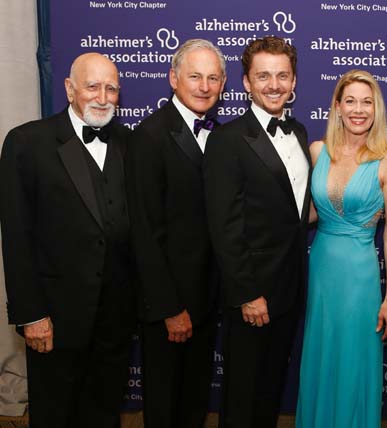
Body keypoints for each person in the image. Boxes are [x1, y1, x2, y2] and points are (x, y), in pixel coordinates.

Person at [0, 52, 134, 428]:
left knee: (105, 410)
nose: (103, 97)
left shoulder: (128, 142)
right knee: (56, 413)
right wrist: (31, 315)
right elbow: (16, 237)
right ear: (69, 89)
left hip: (115, 317)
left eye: (111, 88)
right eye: (93, 86)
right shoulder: (27, 143)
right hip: (55, 318)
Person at [203, 36, 310, 428]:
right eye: (263, 76)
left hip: (291, 289)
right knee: (242, 397)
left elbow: (294, 211)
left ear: (294, 80)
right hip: (252, 294)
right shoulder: (227, 140)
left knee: (270, 390)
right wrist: (248, 293)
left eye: (282, 75)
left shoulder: (298, 132)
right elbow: (224, 226)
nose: (274, 84)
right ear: (246, 83)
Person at [295, 69, 387, 428]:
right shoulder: (317, 151)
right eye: (351, 101)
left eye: (367, 102)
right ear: (337, 107)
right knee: (321, 355)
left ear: (377, 109)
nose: (359, 110)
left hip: (360, 276)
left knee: (354, 360)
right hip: (322, 270)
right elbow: (309, 213)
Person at [126, 39, 226, 428]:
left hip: (206, 299)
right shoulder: (149, 136)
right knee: (166, 406)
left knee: (193, 402)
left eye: (213, 78)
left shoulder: (220, 135)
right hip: (168, 304)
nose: (204, 86)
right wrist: (169, 308)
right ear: (173, 79)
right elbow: (145, 233)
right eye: (195, 76)